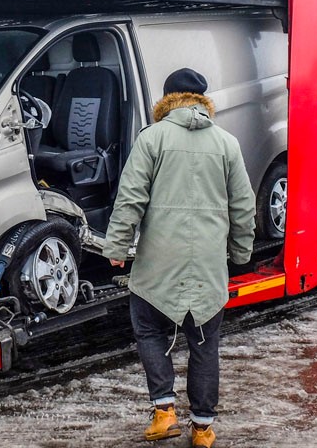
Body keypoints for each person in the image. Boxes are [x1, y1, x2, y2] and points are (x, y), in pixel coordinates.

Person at [102, 67, 255, 446]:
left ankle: (164, 411)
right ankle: (202, 429)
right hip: (208, 267)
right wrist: (241, 253)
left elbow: (130, 197)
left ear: (167, 100)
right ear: (203, 101)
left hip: (157, 264)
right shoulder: (227, 143)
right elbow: (243, 205)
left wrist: (117, 247)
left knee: (148, 328)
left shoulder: (151, 138)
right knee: (204, 344)